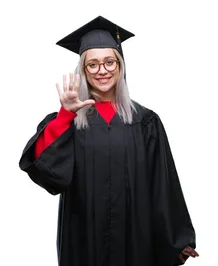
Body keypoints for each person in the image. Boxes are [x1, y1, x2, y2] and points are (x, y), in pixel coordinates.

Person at [18, 16, 198, 266]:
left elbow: (163, 183)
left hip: (136, 236)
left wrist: (178, 239)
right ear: (83, 70)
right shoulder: (69, 120)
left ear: (121, 65)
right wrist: (65, 115)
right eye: (92, 65)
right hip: (83, 236)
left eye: (109, 62)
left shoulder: (145, 121)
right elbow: (44, 169)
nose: (102, 70)